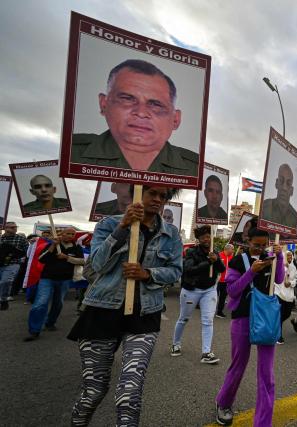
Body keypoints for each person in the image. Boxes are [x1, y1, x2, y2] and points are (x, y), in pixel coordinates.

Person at [68, 185, 182, 426]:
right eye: (153, 193)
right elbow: (95, 266)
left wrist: (147, 273)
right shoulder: (109, 224)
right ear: (137, 193)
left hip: (145, 314)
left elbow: (175, 271)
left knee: (130, 393)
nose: (158, 200)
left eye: (163, 196)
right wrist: (123, 228)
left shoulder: (171, 233)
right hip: (102, 310)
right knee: (94, 391)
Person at [71, 59, 199, 176]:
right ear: (104, 104)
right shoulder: (71, 152)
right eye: (127, 99)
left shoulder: (196, 169)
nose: (141, 112)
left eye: (156, 105)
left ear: (175, 120)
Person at [214, 226, 284, 427]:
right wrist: (251, 272)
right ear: (247, 241)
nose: (259, 249)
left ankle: (263, 422)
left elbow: (279, 279)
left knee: (266, 374)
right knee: (238, 365)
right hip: (242, 318)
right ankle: (224, 402)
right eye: (256, 245)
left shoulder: (270, 257)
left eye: (264, 245)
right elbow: (233, 291)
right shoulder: (237, 261)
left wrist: (278, 260)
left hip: (266, 319)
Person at [170, 225, 226, 363]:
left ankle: (206, 353)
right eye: (203, 237)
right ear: (199, 239)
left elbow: (222, 269)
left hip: (209, 290)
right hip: (191, 290)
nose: (206, 239)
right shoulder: (191, 252)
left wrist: (216, 260)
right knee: (184, 318)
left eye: (208, 236)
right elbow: (189, 269)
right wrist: (208, 262)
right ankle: (175, 344)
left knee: (208, 320)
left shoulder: (215, 252)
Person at [23, 227, 84, 341]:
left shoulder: (77, 248)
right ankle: (34, 330)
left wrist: (67, 257)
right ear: (62, 234)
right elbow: (41, 259)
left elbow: (82, 261)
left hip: (65, 280)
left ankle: (50, 322)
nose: (70, 235)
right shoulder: (53, 245)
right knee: (41, 303)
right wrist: (52, 246)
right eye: (67, 233)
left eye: (72, 234)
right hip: (47, 278)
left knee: (58, 303)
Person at [0, 222, 29, 310]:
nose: (14, 229)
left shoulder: (21, 239)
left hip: (13, 263)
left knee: (5, 281)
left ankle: (4, 300)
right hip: (0, 264)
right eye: (11, 227)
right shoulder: (1, 238)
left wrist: (16, 253)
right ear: (5, 228)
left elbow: (28, 252)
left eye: (15, 227)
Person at [261, 163, 297, 228]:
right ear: (276, 183)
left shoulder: (295, 217)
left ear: (292, 190)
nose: (284, 187)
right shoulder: (265, 207)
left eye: (288, 183)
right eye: (281, 180)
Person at [275, 251, 297, 344]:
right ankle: (278, 336)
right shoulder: (279, 266)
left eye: (291, 256)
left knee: (287, 314)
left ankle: (275, 324)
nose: (290, 257)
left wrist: (291, 283)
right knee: (280, 315)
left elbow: (296, 279)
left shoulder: (293, 268)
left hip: (289, 295)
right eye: (288, 255)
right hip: (279, 293)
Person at [216, 244, 234, 318]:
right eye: (232, 249)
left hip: (226, 281)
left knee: (223, 297)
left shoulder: (232, 258)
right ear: (227, 249)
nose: (233, 251)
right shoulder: (219, 255)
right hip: (217, 281)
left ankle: (219, 312)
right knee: (213, 296)